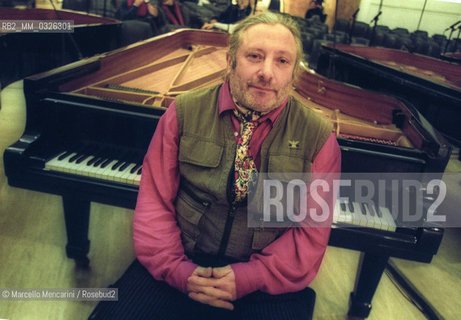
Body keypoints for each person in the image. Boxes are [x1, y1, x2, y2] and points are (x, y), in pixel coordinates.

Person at [89, 11, 341, 320]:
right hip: (184, 263)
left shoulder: (319, 137)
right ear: (231, 60)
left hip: (262, 281)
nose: (267, 72)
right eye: (255, 56)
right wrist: (177, 270)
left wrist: (250, 277)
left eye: (282, 61)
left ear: (294, 73)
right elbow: (154, 202)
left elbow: (310, 233)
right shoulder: (182, 112)